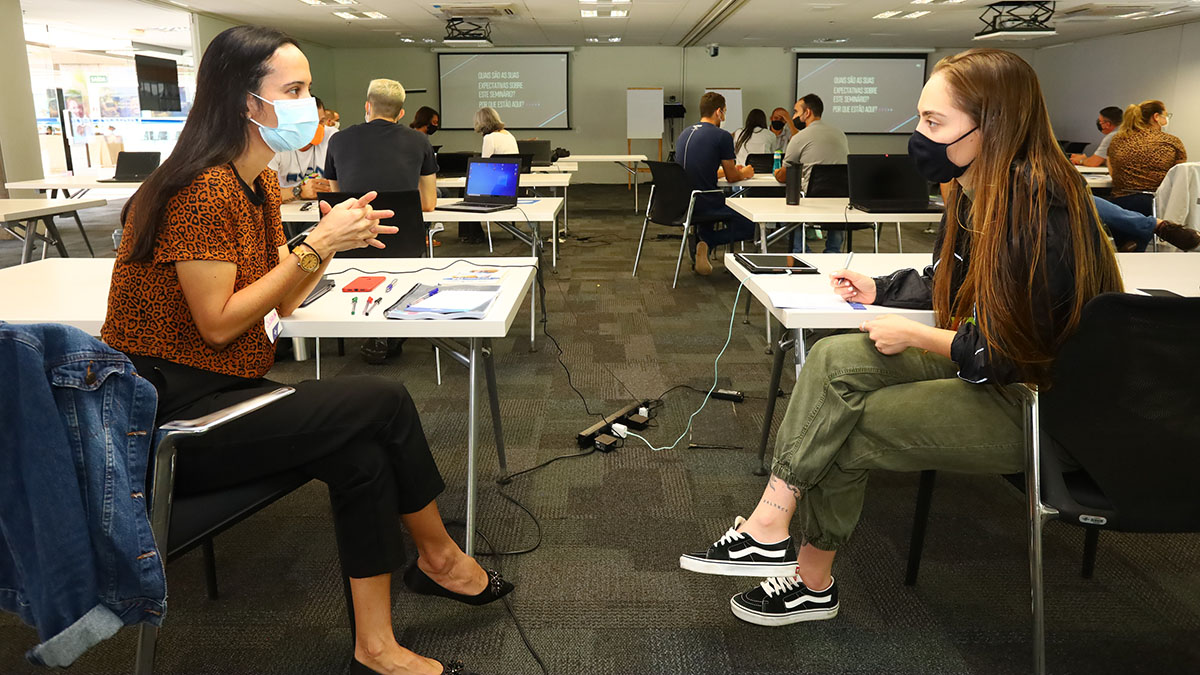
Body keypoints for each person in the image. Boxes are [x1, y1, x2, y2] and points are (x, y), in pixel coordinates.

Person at [101, 26, 507, 675]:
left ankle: (376, 647)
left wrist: (331, 245)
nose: (310, 106)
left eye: (309, 89)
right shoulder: (202, 190)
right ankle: (439, 557)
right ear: (245, 102)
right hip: (166, 418)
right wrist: (319, 241)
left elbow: (281, 303)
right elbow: (218, 324)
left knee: (362, 450)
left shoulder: (255, 184)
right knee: (385, 399)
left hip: (225, 392)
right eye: (294, 90)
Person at [678, 48, 1122, 630]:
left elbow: (1010, 353)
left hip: (1042, 406)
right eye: (921, 117)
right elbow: (949, 279)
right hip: (992, 365)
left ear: (994, 124)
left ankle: (811, 581)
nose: (920, 134)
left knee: (849, 423)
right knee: (836, 360)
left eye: (934, 123)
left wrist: (919, 338)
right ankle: (769, 524)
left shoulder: (1040, 208)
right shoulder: (976, 187)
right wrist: (881, 285)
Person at [325, 79, 438, 364]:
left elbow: (338, 201)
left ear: (367, 106)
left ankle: (370, 324)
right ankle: (391, 326)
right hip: (404, 242)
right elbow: (428, 203)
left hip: (351, 242)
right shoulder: (420, 140)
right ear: (401, 113)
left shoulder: (337, 140)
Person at [675, 91, 756, 276]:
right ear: (719, 112)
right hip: (706, 202)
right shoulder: (722, 136)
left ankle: (701, 244)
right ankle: (707, 241)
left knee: (710, 203)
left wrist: (721, 172)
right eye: (725, 112)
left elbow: (697, 168)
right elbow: (732, 177)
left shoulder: (685, 133)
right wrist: (744, 172)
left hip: (683, 202)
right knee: (751, 225)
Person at [773, 94, 850, 253]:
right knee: (835, 200)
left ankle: (802, 253)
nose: (794, 116)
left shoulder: (800, 137)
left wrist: (776, 171)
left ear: (806, 113)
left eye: (795, 112)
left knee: (785, 212)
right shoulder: (840, 134)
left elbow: (783, 176)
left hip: (811, 198)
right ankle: (833, 252)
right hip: (842, 201)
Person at [1105, 99, 1187, 216]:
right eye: (1166, 115)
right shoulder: (1172, 142)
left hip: (1120, 206)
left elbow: (1113, 172)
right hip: (1156, 206)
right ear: (1156, 117)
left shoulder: (1117, 140)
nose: (1167, 119)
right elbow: (1178, 178)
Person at [272, 96, 334, 203]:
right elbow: (266, 194)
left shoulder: (332, 137)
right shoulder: (277, 143)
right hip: (288, 214)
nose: (318, 128)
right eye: (312, 123)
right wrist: (299, 191)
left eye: (322, 122)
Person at [1093, 194, 1198, 251]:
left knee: (1087, 201)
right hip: (1154, 197)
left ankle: (1155, 226)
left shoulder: (1115, 152)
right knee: (1087, 201)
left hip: (1128, 198)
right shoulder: (1177, 152)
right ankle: (1158, 226)